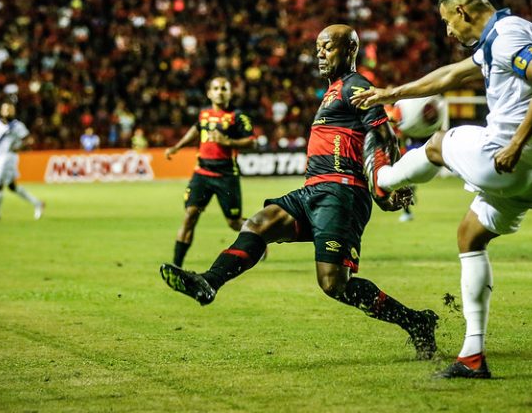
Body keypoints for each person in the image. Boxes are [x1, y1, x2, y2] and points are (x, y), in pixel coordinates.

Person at [160, 25, 439, 360]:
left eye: (328, 47)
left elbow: (384, 137)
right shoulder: (334, 90)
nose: (319, 54)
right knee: (259, 224)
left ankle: (416, 322)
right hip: (313, 190)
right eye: (317, 48)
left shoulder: (355, 85)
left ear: (349, 49)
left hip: (341, 193)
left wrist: (391, 184)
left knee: (334, 284)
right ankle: (208, 283)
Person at [351, 0, 532, 378]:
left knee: (436, 144)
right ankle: (472, 355)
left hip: (503, 157)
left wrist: (516, 143)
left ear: (462, 11)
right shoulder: (514, 35)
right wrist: (391, 94)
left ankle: (384, 179)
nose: (448, 31)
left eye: (448, 22)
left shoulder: (506, 35)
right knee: (470, 236)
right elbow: (449, 77)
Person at [164, 77, 256, 268]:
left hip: (226, 176)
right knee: (190, 216)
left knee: (233, 222)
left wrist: (228, 142)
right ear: (209, 93)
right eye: (216, 88)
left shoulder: (237, 117)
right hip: (202, 174)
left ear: (230, 93)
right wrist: (177, 147)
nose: (220, 91)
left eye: (224, 88)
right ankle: (176, 265)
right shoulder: (204, 114)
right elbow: (196, 130)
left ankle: (258, 234)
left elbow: (251, 142)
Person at [0, 102, 45, 223]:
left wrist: (18, 148)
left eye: (10, 109)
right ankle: (37, 203)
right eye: (6, 109)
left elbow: (29, 139)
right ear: (1, 111)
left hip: (9, 157)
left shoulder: (18, 126)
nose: (8, 111)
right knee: (11, 186)